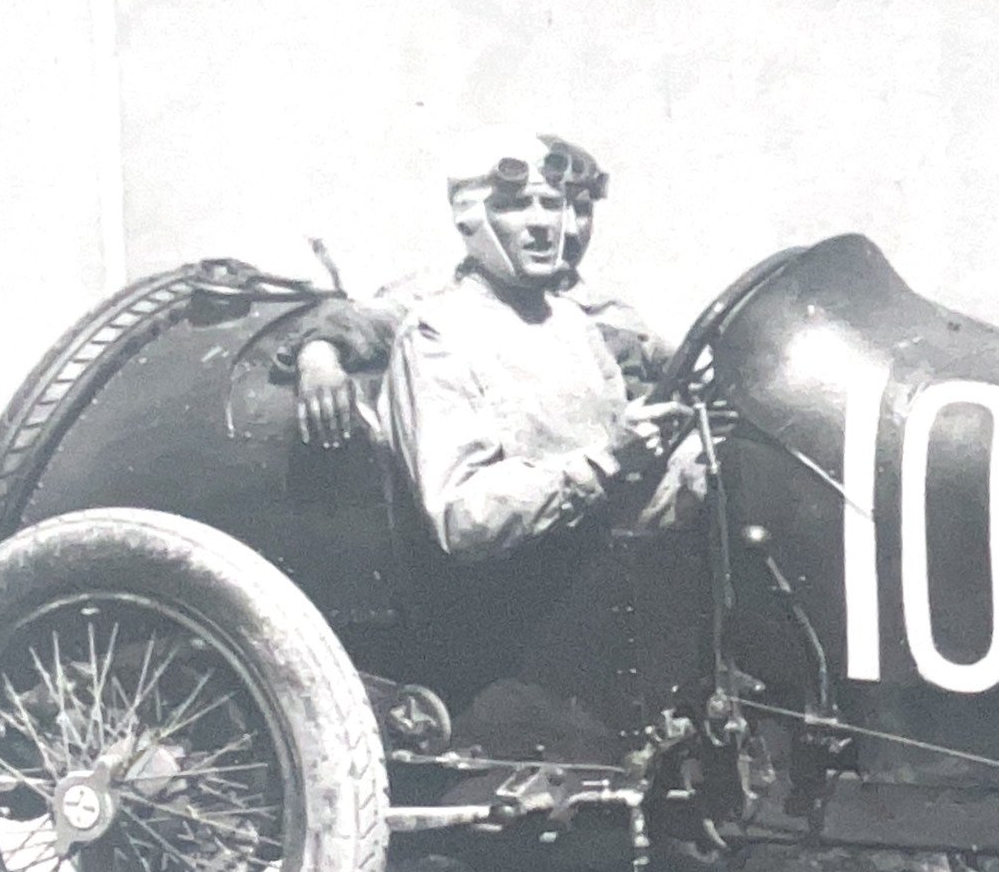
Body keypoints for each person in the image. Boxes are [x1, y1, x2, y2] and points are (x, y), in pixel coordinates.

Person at [281, 130, 701, 562]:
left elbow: (627, 446)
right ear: (470, 221)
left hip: (607, 561)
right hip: (531, 593)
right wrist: (318, 354)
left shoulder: (578, 321)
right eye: (515, 205)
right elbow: (463, 519)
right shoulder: (436, 330)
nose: (545, 224)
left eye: (553, 204)